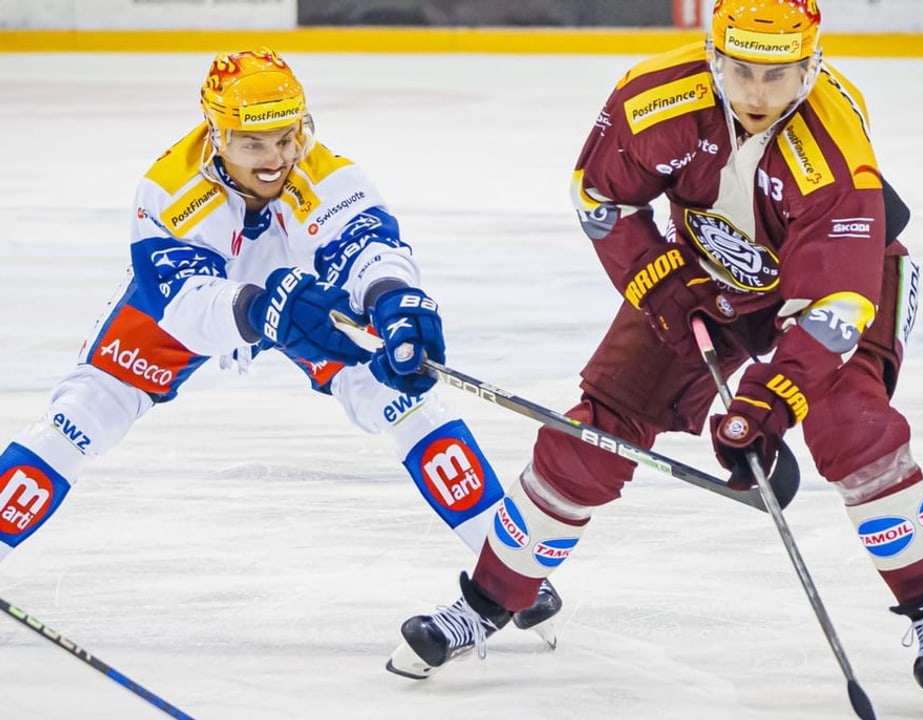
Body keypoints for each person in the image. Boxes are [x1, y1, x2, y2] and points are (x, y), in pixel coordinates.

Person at [385, 1, 923, 712]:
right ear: (713, 56)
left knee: (849, 423)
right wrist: (657, 280)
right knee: (593, 433)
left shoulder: (836, 154)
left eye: (778, 75)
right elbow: (598, 197)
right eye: (741, 71)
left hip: (843, 286)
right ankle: (487, 602)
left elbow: (836, 312)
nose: (756, 93)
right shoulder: (655, 100)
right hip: (706, 278)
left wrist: (767, 405)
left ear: (810, 68)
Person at [0, 47, 560, 641]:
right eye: (254, 144)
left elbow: (368, 246)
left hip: (305, 297)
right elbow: (186, 303)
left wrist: (393, 296)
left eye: (288, 138)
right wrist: (260, 309)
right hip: (213, 300)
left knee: (399, 398)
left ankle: (511, 570)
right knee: (83, 415)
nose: (278, 159)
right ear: (216, 135)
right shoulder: (166, 190)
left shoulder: (328, 173)